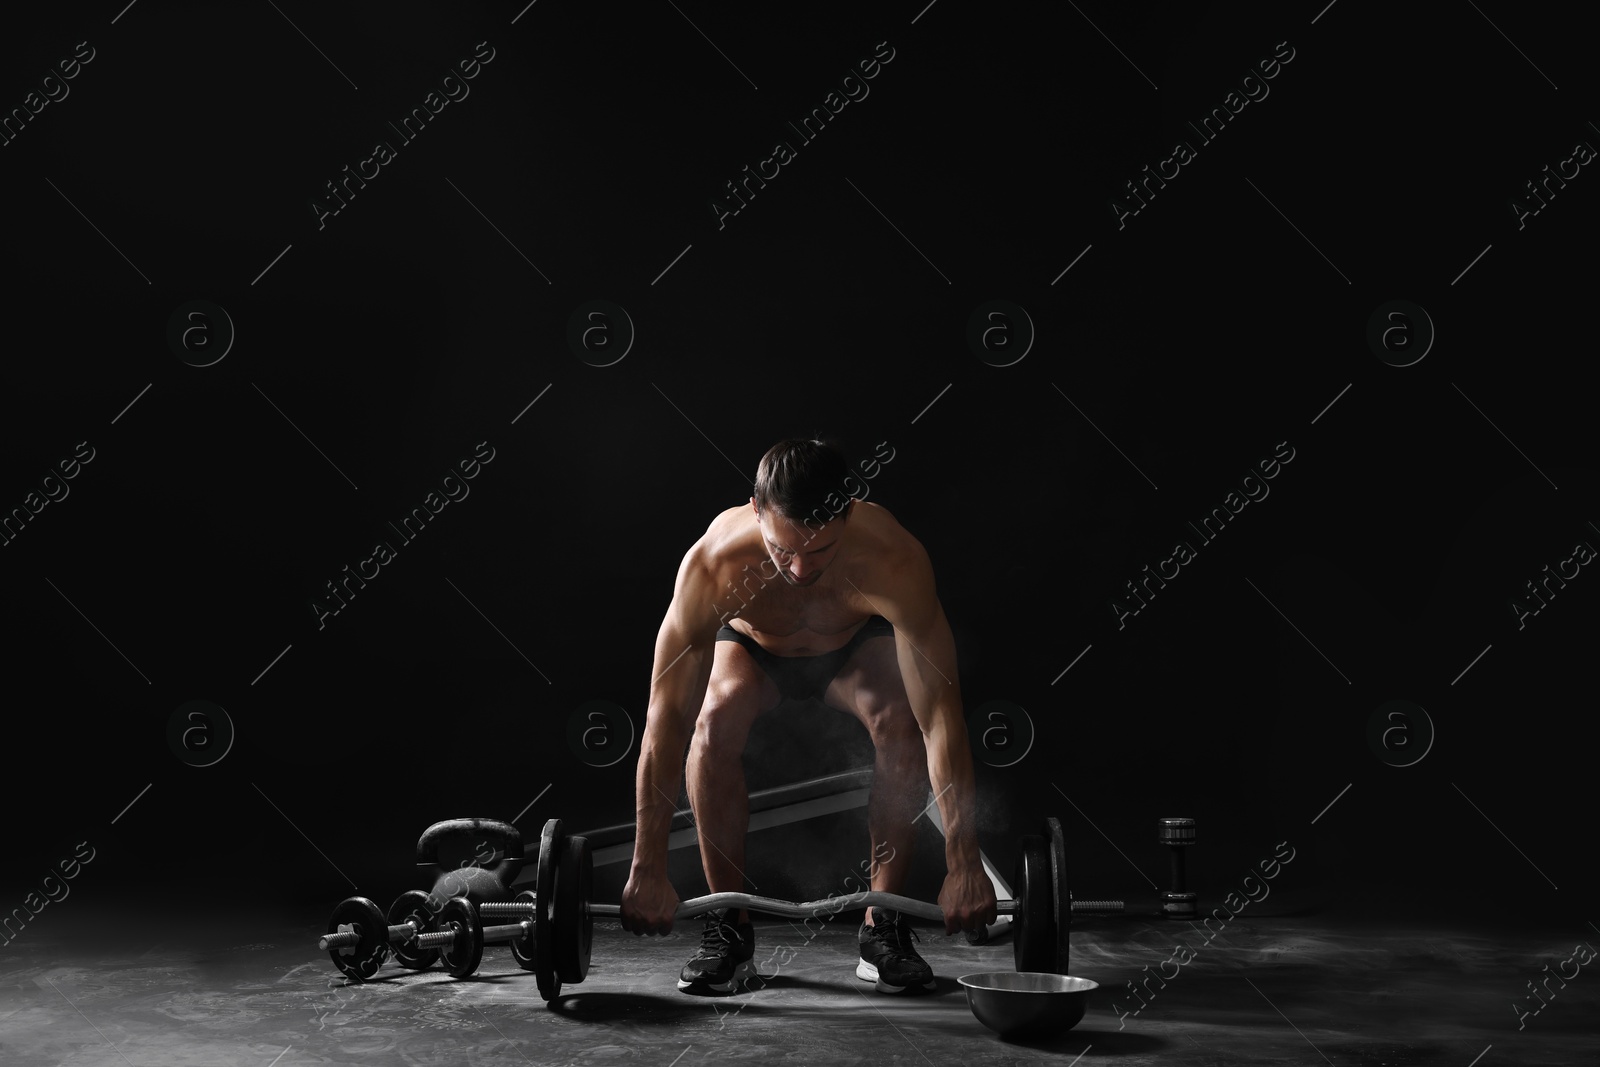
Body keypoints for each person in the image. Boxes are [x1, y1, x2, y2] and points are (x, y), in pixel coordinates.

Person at [619, 437, 996, 994]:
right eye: (781, 549)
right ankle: (728, 927)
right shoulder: (713, 566)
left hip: (851, 649)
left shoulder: (893, 560)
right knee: (709, 724)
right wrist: (646, 865)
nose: (798, 568)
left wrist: (964, 863)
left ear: (848, 514)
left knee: (903, 721)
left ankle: (882, 925)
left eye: (820, 552)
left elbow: (942, 715)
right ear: (756, 509)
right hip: (752, 651)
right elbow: (664, 721)